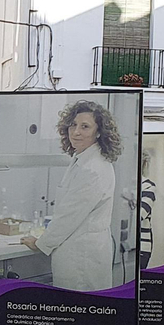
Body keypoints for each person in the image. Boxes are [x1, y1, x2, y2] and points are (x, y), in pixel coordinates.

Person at [20, 100, 123, 291]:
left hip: (82, 258)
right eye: (73, 125)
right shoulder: (84, 160)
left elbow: (69, 216)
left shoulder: (92, 168)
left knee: (79, 311)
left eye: (85, 126)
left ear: (98, 132)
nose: (76, 132)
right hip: (81, 252)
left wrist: (40, 243)